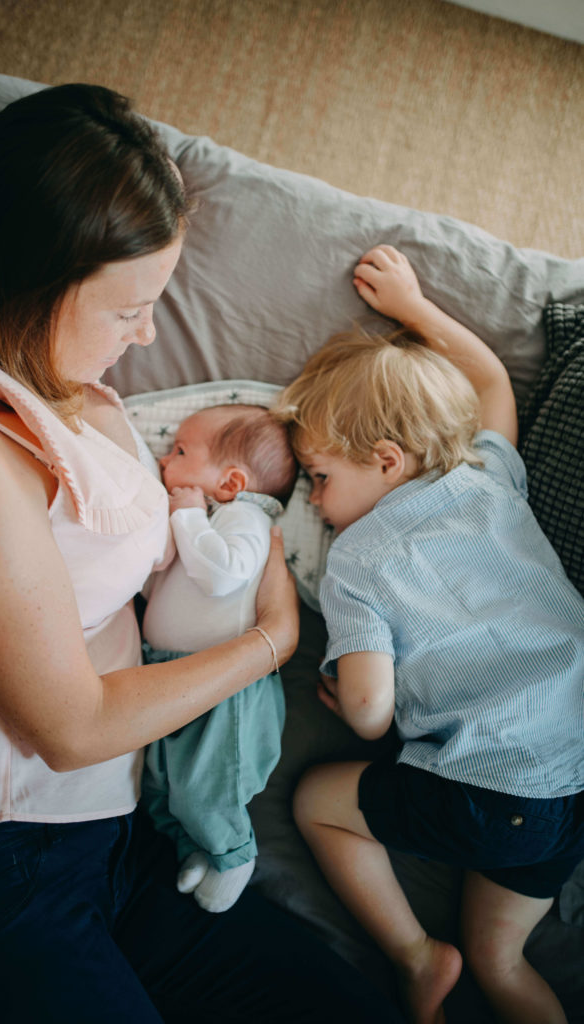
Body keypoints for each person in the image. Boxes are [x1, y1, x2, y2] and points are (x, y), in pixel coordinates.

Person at [0, 87, 406, 1024]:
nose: (143, 337)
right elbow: (72, 726)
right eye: (130, 308)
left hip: (113, 830)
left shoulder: (56, 372)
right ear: (30, 280)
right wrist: (269, 642)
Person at [275, 244, 584, 1024]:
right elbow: (487, 379)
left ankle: (415, 957)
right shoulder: (485, 471)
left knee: (316, 800)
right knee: (500, 958)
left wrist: (348, 699)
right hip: (571, 775)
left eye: (318, 477)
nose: (312, 502)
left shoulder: (356, 560)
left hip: (491, 791)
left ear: (384, 460)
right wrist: (412, 307)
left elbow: (373, 713)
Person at [141, 403, 297, 913]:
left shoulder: (242, 517)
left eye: (181, 451)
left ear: (231, 481)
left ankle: (234, 855)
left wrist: (186, 513)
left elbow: (223, 575)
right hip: (167, 670)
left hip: (224, 683)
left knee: (205, 785)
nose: (166, 459)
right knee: (159, 779)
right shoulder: (206, 520)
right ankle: (193, 847)